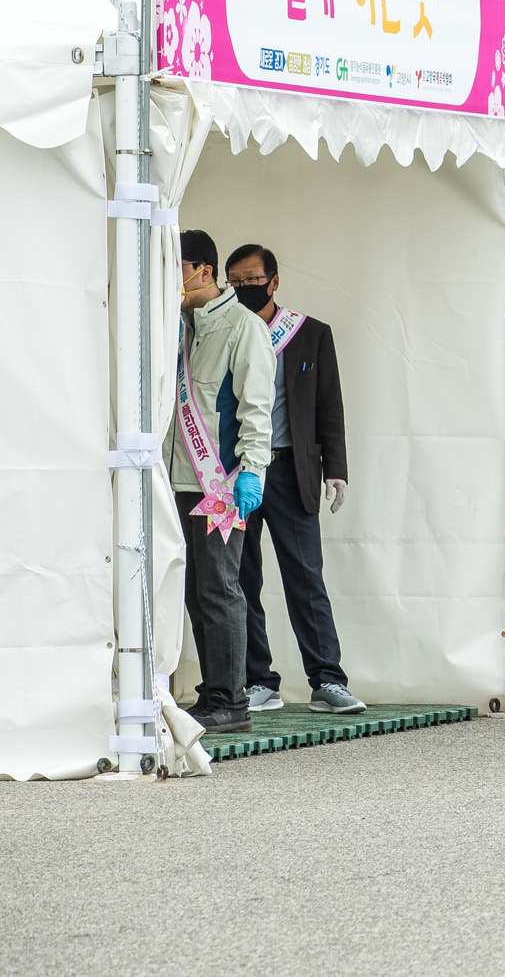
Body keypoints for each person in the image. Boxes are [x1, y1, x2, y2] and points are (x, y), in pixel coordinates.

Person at [223, 245, 366, 716]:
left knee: (305, 576)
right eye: (236, 282)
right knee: (241, 578)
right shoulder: (223, 331)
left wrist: (336, 470)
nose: (246, 288)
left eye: (253, 279)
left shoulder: (309, 335)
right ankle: (258, 680)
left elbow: (330, 406)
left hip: (291, 468)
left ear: (274, 280)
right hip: (237, 470)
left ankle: (328, 679)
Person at [172, 230, 274, 734]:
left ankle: (231, 699)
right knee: (192, 590)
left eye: (178, 266)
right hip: (177, 479)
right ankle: (213, 691)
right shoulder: (178, 325)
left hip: (220, 483)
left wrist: (252, 470)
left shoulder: (243, 326)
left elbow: (256, 407)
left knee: (219, 587)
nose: (172, 278)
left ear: (204, 271)